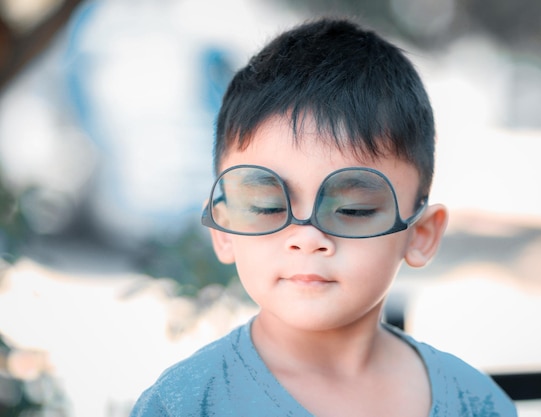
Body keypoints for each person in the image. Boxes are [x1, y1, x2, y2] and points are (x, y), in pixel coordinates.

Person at [130, 17, 518, 417]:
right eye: (266, 206)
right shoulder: (186, 404)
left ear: (419, 235)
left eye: (351, 210)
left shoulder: (475, 403)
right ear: (224, 228)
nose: (307, 237)